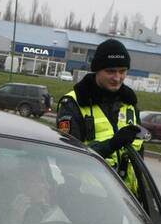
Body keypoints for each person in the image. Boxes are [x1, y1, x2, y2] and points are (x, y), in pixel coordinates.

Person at [55, 39, 143, 193]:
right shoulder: (73, 103)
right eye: (110, 71)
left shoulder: (129, 103)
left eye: (122, 71)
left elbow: (140, 154)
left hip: (126, 200)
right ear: (97, 69)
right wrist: (112, 144)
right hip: (86, 198)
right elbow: (68, 157)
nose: (117, 78)